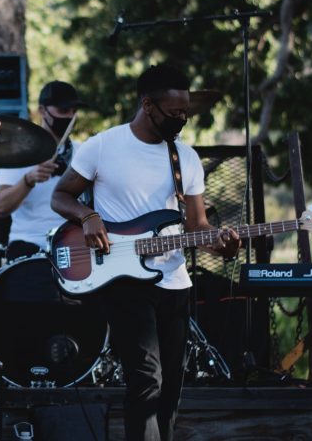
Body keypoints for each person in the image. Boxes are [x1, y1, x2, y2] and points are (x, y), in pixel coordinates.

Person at [51, 62, 239, 441]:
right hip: (124, 280)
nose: (182, 119)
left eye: (185, 112)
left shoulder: (185, 158)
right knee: (145, 377)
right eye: (174, 112)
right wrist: (87, 215)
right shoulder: (103, 146)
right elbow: (61, 196)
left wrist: (223, 244)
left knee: (171, 386)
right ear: (148, 105)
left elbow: (197, 226)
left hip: (175, 281)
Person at [0, 80, 85, 260]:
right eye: (63, 111)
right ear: (43, 111)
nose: (70, 117)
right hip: (29, 243)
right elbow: (1, 207)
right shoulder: (18, 152)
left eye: (73, 111)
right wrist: (28, 180)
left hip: (73, 244)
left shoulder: (83, 152)